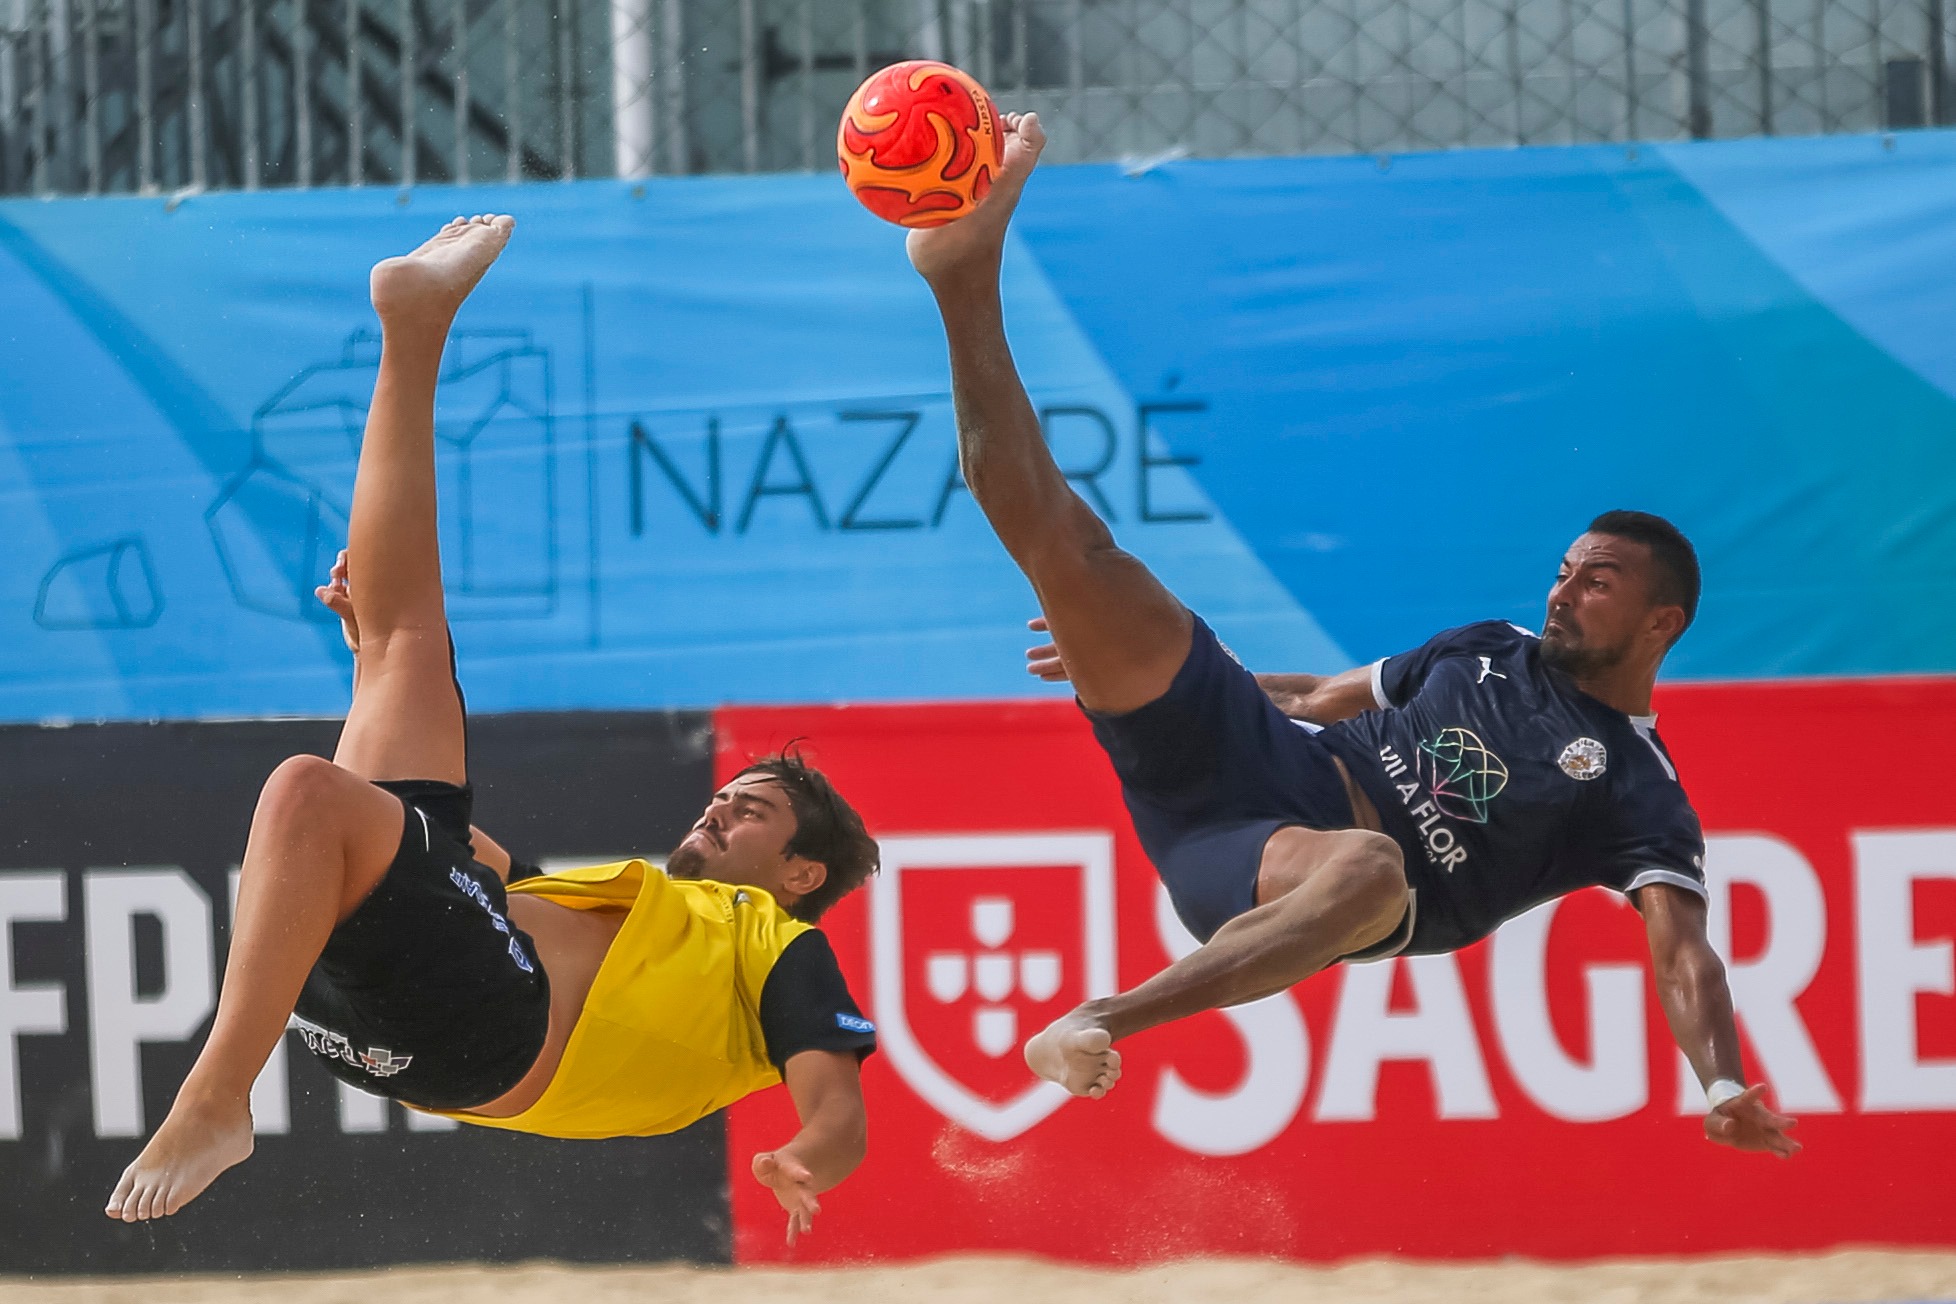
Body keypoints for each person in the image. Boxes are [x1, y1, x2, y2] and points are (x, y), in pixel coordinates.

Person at [906, 115, 1797, 1159]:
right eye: (1562, 572)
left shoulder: (1638, 786)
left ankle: (1099, 1017)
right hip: (1257, 750)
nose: (1563, 594)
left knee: (1373, 864)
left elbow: (1683, 951)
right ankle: (963, 277)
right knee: (1078, 557)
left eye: (1595, 584)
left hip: (1288, 865)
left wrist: (1721, 1075)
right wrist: (1139, 652)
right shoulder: (1487, 643)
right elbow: (1318, 698)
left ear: (1662, 622)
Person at [107, 216, 882, 1238]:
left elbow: (842, 1113)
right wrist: (373, 688)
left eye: (751, 813)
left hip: (480, 1033)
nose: (718, 805)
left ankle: (214, 1097)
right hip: (422, 1003)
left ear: (801, 873)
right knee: (401, 644)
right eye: (724, 794)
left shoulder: (775, 945)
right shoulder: (640, 909)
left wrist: (801, 1156)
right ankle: (414, 326)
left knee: (308, 789)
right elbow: (470, 873)